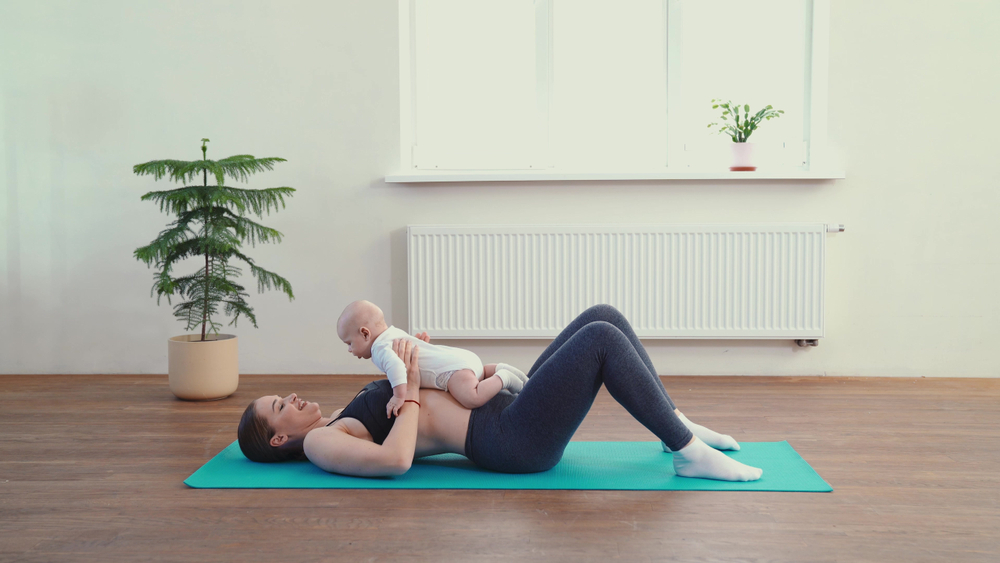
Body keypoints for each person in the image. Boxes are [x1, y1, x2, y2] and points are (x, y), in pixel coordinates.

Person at [238, 304, 764, 482]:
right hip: (509, 439)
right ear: (279, 439)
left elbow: (424, 389)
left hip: (504, 409)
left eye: (283, 395)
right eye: (281, 407)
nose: (294, 399)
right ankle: (689, 455)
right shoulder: (319, 443)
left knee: (602, 318)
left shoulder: (342, 412)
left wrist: (434, 365)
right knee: (601, 342)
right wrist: (413, 387)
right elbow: (395, 460)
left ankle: (676, 424)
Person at [336, 299, 529, 415]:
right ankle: (500, 370)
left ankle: (504, 378)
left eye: (349, 344)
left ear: (365, 333)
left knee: (472, 397)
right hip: (461, 357)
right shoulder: (394, 333)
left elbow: (395, 368)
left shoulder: (379, 349)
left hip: (451, 372)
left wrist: (398, 395)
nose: (350, 350)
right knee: (481, 371)